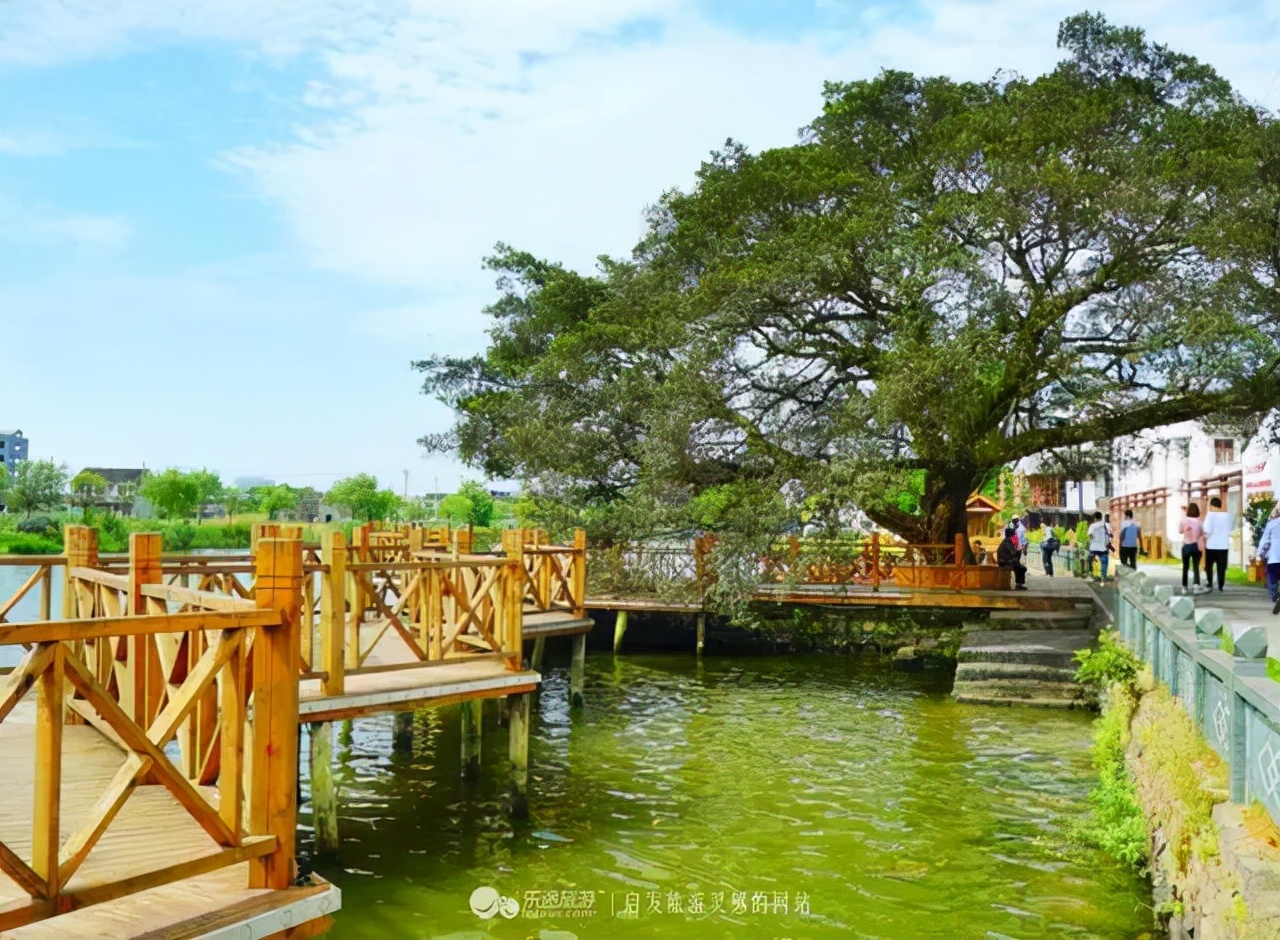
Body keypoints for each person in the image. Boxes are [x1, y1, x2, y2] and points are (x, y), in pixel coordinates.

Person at [1202, 496, 1232, 592]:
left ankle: (1210, 583)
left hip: (1211, 545)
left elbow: (1207, 529)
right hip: (1223, 545)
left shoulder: (1210, 515)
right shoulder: (1227, 516)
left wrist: (1205, 536)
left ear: (1211, 505)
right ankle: (1221, 585)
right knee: (1221, 567)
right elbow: (1230, 528)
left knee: (1209, 566)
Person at [1255, 504, 1280, 615]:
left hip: (1274, 558)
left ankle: (1276, 597)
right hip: (1274, 557)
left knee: (1272, 582)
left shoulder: (1272, 524)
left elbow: (1265, 541)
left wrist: (1260, 554)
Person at [1179, 503, 1203, 594]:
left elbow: (1180, 531)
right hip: (1196, 545)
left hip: (1186, 545)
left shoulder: (1183, 521)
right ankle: (1196, 585)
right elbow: (1201, 533)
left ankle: (1184, 587)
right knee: (1195, 566)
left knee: (1185, 567)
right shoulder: (1199, 521)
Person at [997, 525, 1028, 590]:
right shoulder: (1006, 542)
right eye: (1014, 534)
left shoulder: (1007, 541)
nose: (1015, 536)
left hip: (1007, 560)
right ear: (1011, 535)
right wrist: (1021, 549)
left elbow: (1013, 552)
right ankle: (1019, 585)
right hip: (1004, 562)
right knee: (1020, 568)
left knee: (1021, 568)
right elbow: (1013, 552)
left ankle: (1019, 584)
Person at [1087, 511, 1111, 581]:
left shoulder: (1092, 525)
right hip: (1103, 547)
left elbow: (1090, 535)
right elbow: (1108, 536)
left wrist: (1094, 538)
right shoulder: (1105, 525)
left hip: (1093, 547)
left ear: (1095, 518)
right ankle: (1103, 577)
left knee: (1090, 560)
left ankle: (1091, 575)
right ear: (1101, 518)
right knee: (1104, 562)